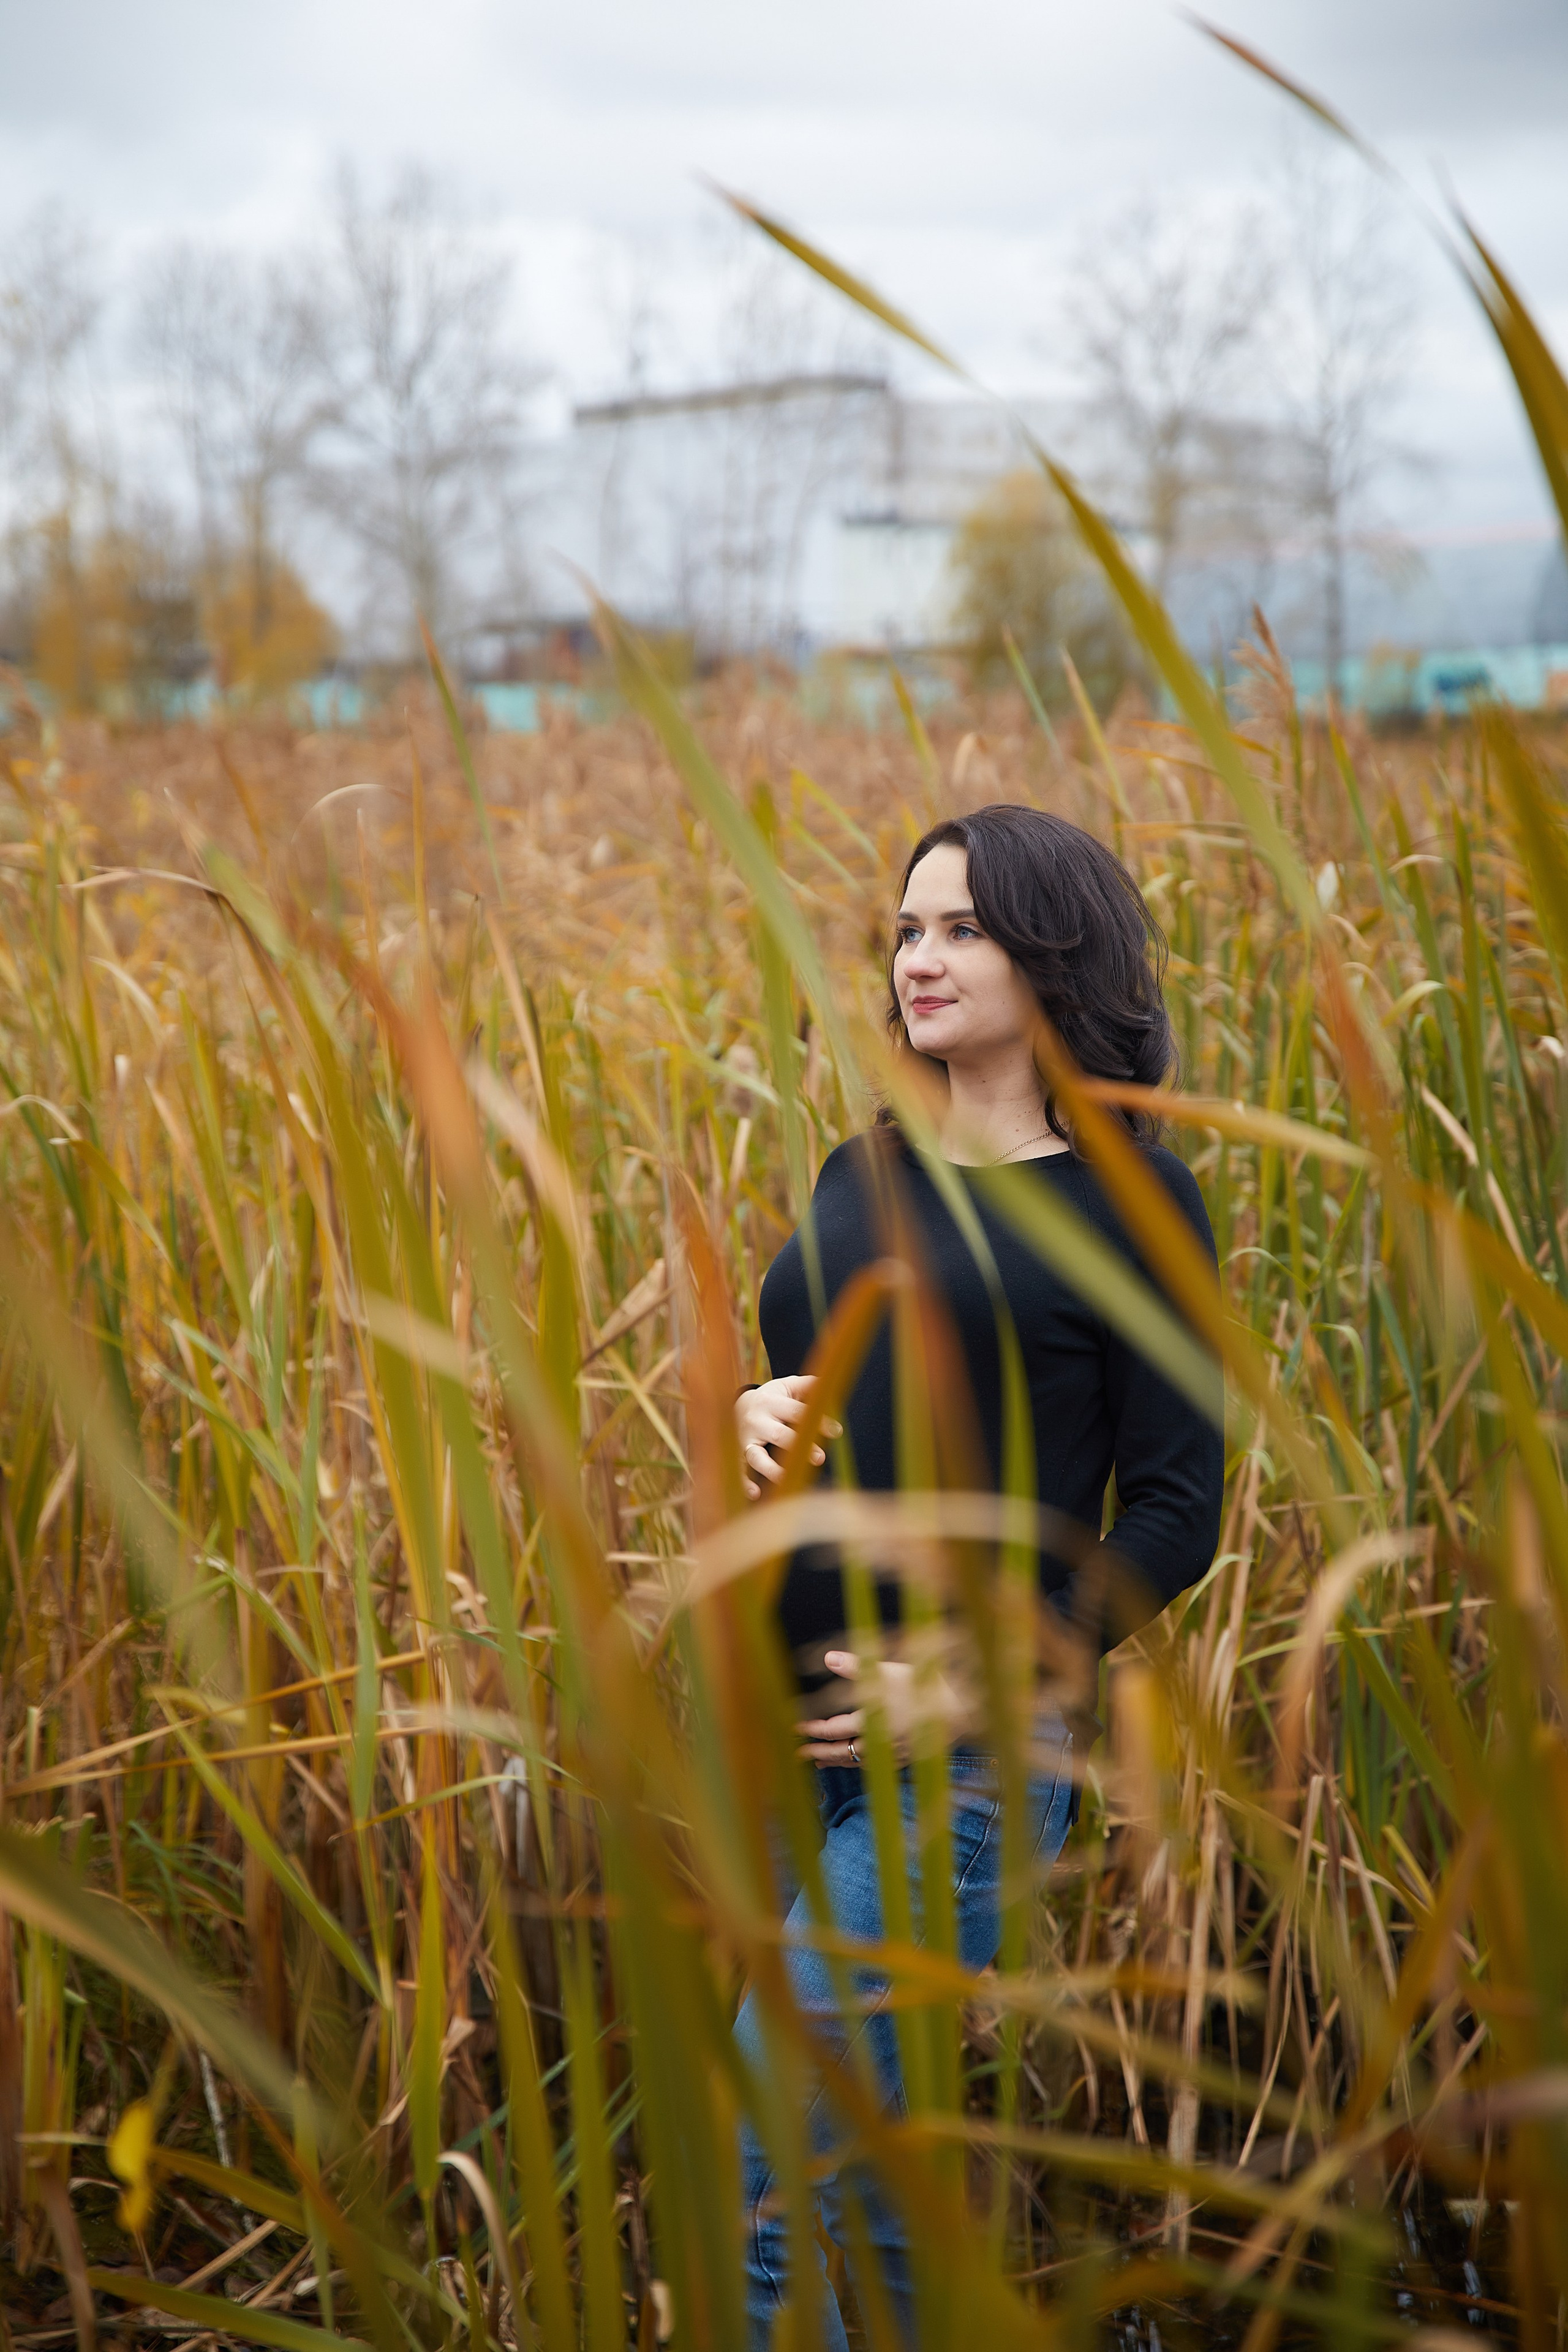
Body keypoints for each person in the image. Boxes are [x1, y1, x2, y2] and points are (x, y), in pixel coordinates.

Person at [731, 802, 1225, 2349]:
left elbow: (1171, 1510)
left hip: (969, 1759)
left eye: (961, 928)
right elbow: (821, 1406)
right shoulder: (855, 1167)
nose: (918, 960)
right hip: (807, 1747)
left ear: (1054, 953)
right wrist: (750, 1409)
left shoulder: (1129, 1203)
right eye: (905, 930)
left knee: (767, 2151)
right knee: (872, 2193)